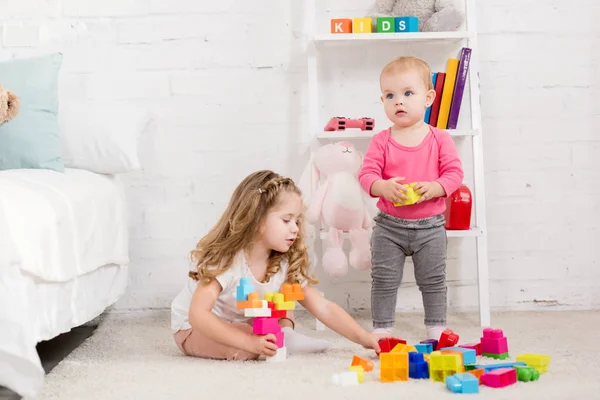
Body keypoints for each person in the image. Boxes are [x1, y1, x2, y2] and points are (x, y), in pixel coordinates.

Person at [171, 170, 387, 360]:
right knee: (252, 350)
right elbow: (198, 316)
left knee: (284, 296)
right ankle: (279, 338)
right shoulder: (227, 260)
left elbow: (323, 307)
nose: (294, 228)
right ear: (256, 219)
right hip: (194, 329)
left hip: (244, 322)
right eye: (286, 220)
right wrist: (248, 343)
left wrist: (364, 337)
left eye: (296, 221)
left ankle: (285, 335)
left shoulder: (282, 259)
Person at [358, 56, 464, 340]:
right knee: (384, 280)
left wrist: (436, 187)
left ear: (428, 98)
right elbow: (366, 175)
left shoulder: (439, 138)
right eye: (390, 95)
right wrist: (383, 187)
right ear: (382, 100)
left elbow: (454, 174)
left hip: (430, 227)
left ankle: (436, 326)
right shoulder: (382, 140)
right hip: (389, 227)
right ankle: (382, 329)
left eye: (408, 93)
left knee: (432, 280)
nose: (398, 102)